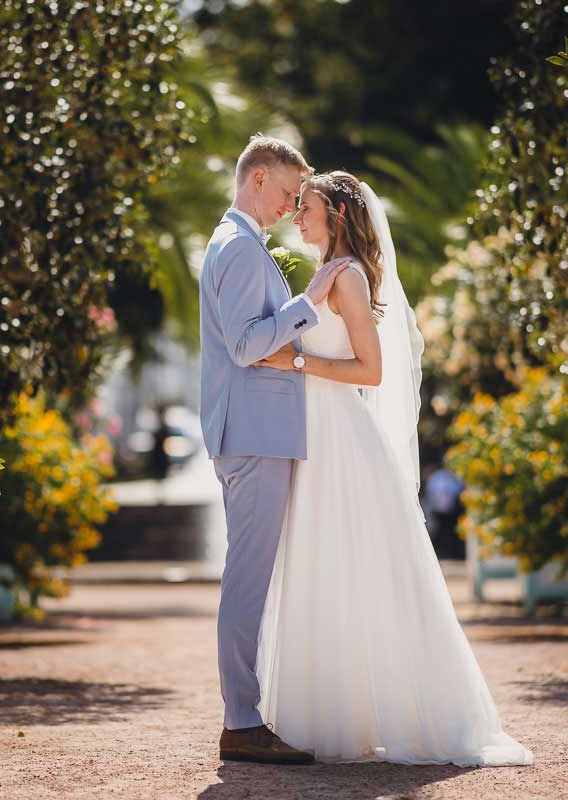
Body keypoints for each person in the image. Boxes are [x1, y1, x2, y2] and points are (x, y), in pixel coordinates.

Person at [252, 171, 534, 767]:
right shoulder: (327, 273)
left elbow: (370, 370)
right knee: (328, 568)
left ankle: (416, 716)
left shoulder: (348, 276)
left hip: (343, 440)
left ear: (336, 216)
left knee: (364, 567)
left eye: (308, 209)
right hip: (318, 436)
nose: (297, 217)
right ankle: (340, 716)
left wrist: (296, 361)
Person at [197, 135, 352, 764]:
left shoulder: (241, 244)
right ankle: (241, 719)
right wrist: (311, 300)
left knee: (253, 574)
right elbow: (245, 346)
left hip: (257, 431)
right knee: (247, 577)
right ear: (257, 178)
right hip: (253, 434)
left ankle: (250, 712)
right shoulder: (236, 247)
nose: (294, 206)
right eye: (289, 192)